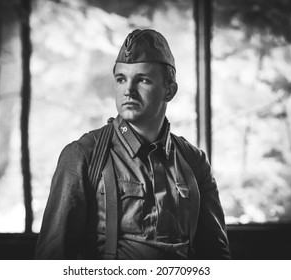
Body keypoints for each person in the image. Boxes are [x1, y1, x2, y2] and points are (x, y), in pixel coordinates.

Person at [35, 29, 231, 260]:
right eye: (121, 79)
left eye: (143, 80)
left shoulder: (194, 161)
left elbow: (216, 257)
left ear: (169, 90)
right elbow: (52, 258)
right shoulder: (83, 155)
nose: (128, 90)